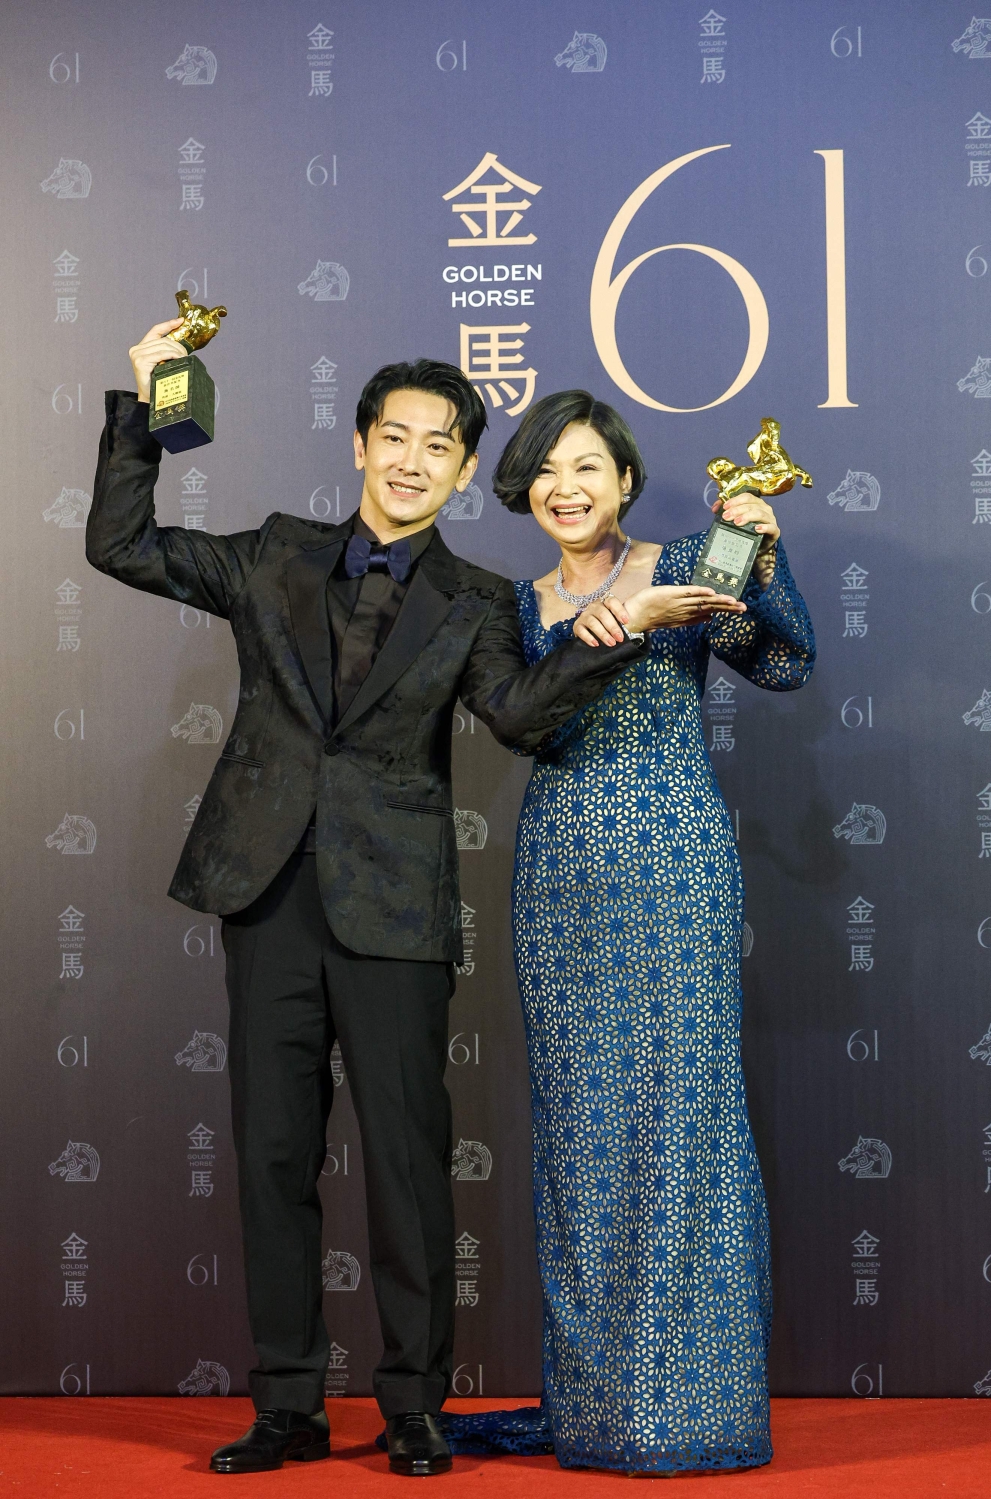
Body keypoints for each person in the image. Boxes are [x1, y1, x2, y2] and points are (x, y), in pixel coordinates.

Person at [86, 339, 696, 1476]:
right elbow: (120, 542)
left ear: (465, 473)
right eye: (397, 437)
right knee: (273, 1154)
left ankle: (412, 1403)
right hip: (262, 890)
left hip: (395, 910)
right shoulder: (274, 552)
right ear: (360, 444)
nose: (414, 461)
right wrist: (150, 399)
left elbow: (516, 714)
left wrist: (609, 634)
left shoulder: (474, 600)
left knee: (409, 1162)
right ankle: (286, 1403)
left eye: (441, 446)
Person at [440, 391, 815, 1474]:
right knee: (582, 1135)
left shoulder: (689, 556)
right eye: (548, 469)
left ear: (624, 478)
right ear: (522, 485)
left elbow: (781, 663)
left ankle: (688, 1406)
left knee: (680, 1119)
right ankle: (600, 1404)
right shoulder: (511, 607)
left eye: (590, 466)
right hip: (560, 876)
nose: (568, 486)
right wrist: (611, 631)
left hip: (674, 867)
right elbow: (524, 719)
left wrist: (763, 552)